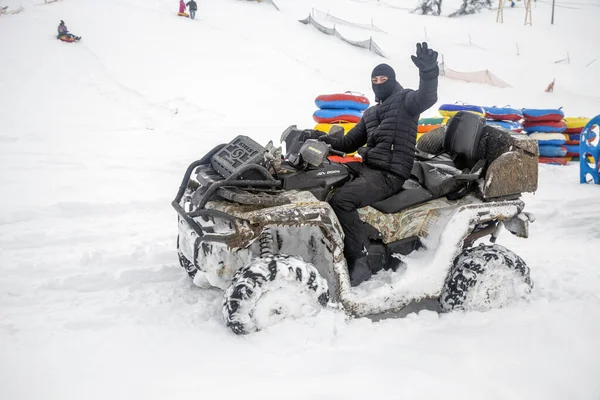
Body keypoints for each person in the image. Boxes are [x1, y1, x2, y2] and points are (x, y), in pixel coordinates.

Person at [318, 42, 439, 286]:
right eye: (375, 79)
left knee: (341, 200)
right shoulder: (371, 114)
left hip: (390, 173)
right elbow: (349, 143)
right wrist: (319, 138)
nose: (379, 82)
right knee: (324, 181)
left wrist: (428, 71)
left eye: (383, 78)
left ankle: (359, 258)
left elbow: (427, 96)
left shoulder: (406, 101)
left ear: (392, 80)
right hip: (369, 167)